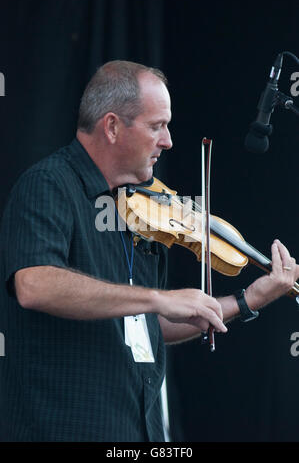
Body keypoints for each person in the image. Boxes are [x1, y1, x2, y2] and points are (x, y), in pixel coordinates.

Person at [0, 60, 298, 442]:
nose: (168, 140)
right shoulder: (48, 185)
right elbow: (34, 285)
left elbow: (148, 324)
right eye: (157, 126)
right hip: (66, 427)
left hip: (138, 430)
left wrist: (249, 298)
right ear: (111, 126)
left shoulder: (143, 208)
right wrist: (158, 298)